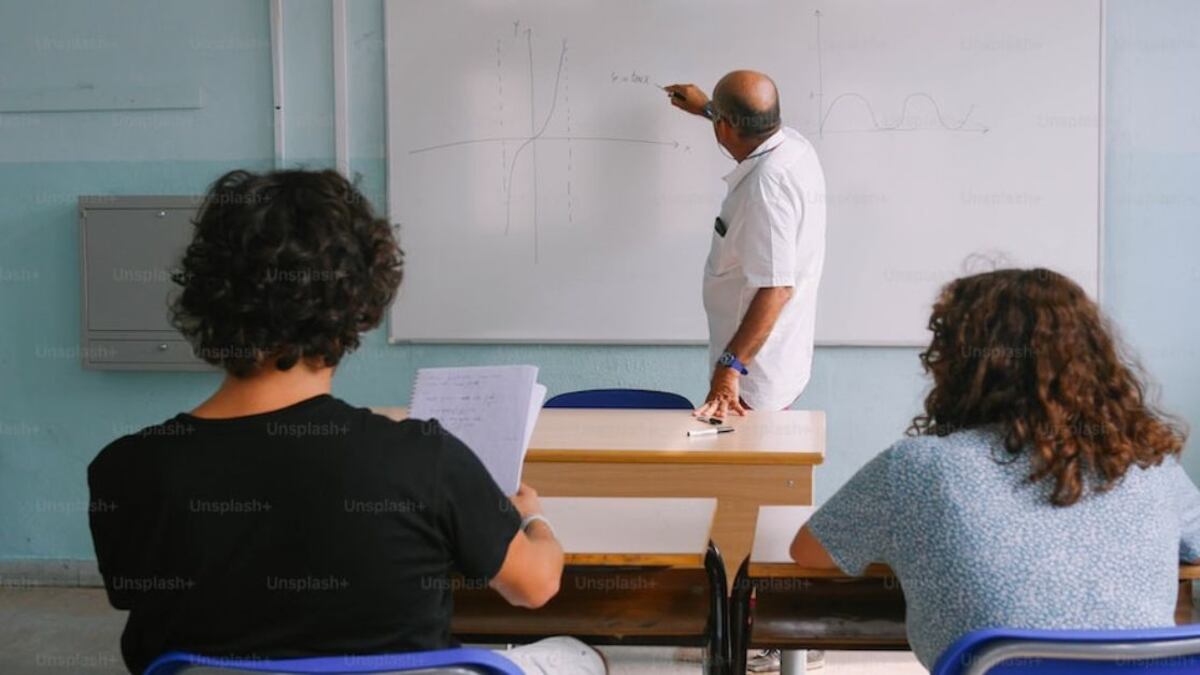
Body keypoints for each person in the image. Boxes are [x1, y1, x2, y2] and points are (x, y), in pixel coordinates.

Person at [87, 169, 605, 674]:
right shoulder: (423, 458)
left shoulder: (125, 469)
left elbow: (136, 598)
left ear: (207, 295)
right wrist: (532, 519)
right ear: (360, 303)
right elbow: (535, 587)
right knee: (576, 656)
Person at [790, 268, 1200, 669]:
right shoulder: (1149, 464)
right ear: (1095, 360)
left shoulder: (918, 467)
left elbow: (808, 552)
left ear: (957, 363)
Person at [664, 70, 826, 420]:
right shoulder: (795, 145)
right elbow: (748, 125)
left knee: (739, 471)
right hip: (776, 358)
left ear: (724, 129)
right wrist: (708, 109)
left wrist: (729, 367)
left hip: (750, 380)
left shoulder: (766, 189)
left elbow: (777, 288)